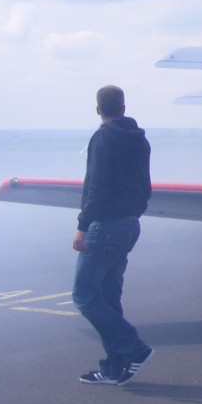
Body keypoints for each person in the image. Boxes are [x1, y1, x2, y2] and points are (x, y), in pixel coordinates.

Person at [73, 85, 154, 385]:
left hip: (105, 227)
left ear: (98, 110)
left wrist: (83, 225)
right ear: (123, 107)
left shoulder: (103, 138)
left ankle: (134, 349)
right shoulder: (139, 139)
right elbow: (145, 186)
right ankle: (114, 368)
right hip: (129, 224)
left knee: (84, 294)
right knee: (108, 296)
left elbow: (97, 186)